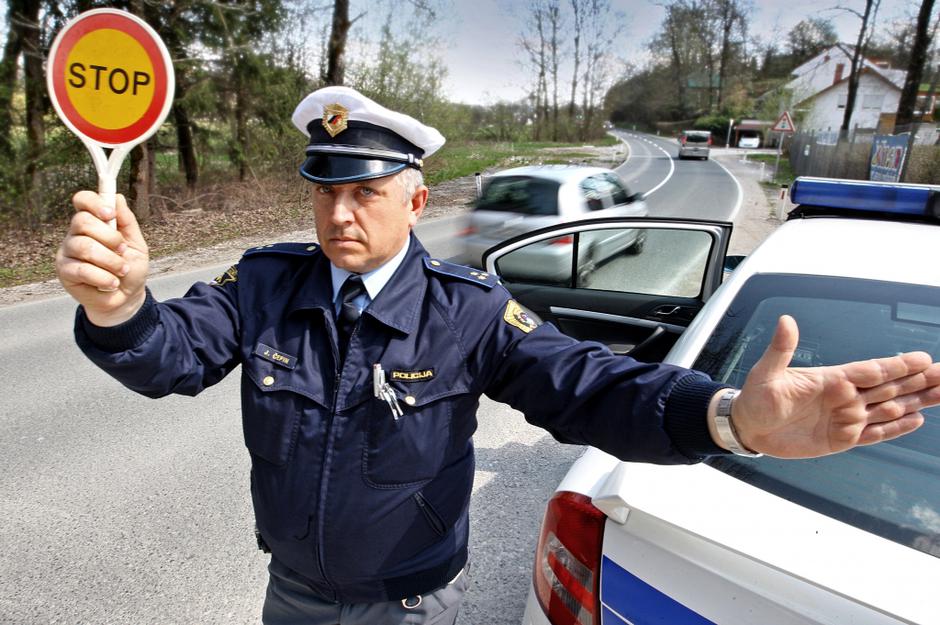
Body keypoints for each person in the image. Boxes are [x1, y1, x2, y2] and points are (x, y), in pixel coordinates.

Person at [55, 86, 940, 625]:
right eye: (325, 190)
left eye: (366, 192)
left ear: (418, 199)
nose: (338, 216)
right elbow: (168, 357)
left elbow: (593, 386)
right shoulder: (267, 283)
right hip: (293, 591)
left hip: (407, 603)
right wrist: (121, 303)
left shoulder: (467, 312)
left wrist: (728, 417)